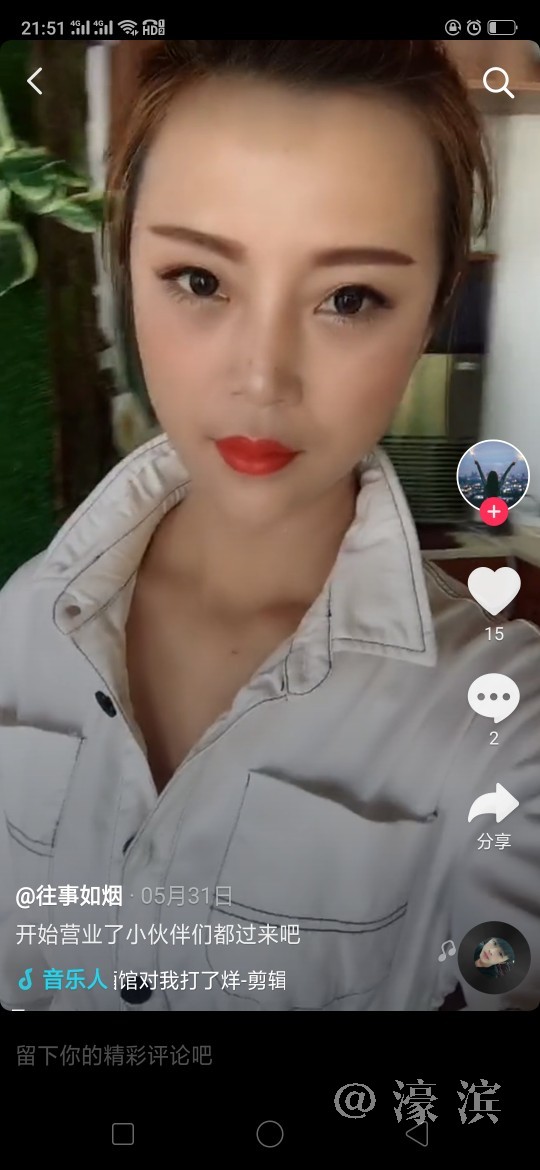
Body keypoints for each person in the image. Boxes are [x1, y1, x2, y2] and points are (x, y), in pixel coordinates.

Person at [1, 40, 539, 1013]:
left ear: (430, 312)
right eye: (200, 280)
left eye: (349, 299)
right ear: (126, 266)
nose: (261, 378)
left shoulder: (497, 715)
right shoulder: (20, 622)